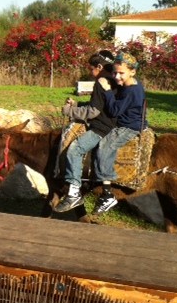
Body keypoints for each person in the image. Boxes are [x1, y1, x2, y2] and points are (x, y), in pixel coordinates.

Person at [54, 50, 117, 213]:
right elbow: (98, 105)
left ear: (99, 66)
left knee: (74, 150)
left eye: (91, 69)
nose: (90, 72)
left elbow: (93, 112)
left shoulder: (100, 82)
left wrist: (70, 111)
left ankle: (74, 193)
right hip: (112, 123)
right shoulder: (114, 79)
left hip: (102, 128)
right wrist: (78, 105)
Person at [92, 51, 148, 215]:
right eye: (115, 72)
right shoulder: (131, 85)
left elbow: (115, 110)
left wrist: (107, 91)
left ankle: (107, 192)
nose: (117, 76)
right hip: (132, 122)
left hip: (129, 126)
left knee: (104, 146)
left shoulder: (131, 91)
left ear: (133, 71)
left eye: (121, 73)